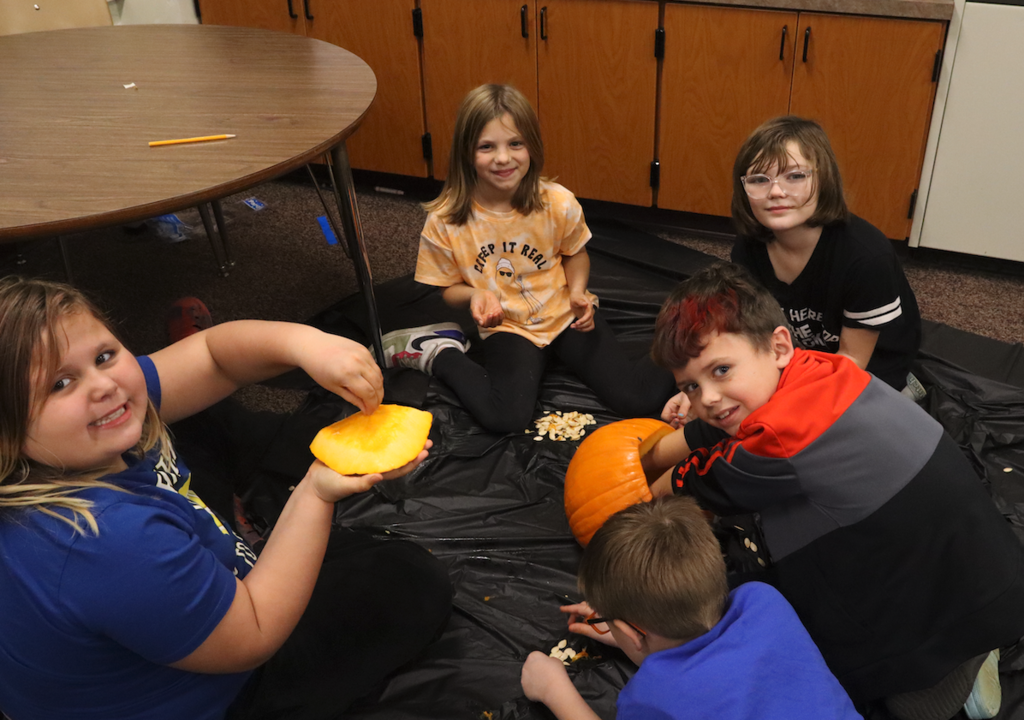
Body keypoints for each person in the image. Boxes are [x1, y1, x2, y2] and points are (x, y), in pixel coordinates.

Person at [0, 277, 452, 720]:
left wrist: (308, 344)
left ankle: (241, 526)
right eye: (60, 384)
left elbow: (213, 357)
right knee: (410, 580)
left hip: (158, 600)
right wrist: (315, 492)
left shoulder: (91, 428)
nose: (102, 385)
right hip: (221, 692)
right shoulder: (107, 543)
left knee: (192, 415)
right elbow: (253, 636)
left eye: (104, 355)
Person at [640, 262, 1024, 720]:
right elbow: (722, 427)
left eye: (720, 370)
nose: (707, 399)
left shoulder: (781, 439)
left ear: (778, 346)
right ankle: (971, 642)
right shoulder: (814, 369)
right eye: (690, 387)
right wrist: (659, 451)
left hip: (935, 605)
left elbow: (703, 485)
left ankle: (961, 670)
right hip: (977, 566)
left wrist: (642, 489)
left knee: (899, 700)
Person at [378, 84, 675, 432]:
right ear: (465, 153)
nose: (503, 158)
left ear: (531, 146)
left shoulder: (558, 202)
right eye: (487, 147)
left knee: (637, 399)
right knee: (505, 418)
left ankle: (689, 337)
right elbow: (448, 289)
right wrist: (476, 295)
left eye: (515, 144)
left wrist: (578, 291)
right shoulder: (445, 219)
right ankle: (438, 352)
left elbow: (576, 255)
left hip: (565, 316)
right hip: (508, 326)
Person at [520, 497, 862, 720]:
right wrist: (636, 629)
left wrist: (553, 690)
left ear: (633, 633)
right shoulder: (764, 599)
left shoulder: (653, 698)